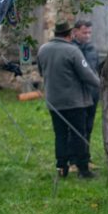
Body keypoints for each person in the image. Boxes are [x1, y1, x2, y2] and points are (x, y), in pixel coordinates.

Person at [38, 19, 100, 179]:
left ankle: (62, 167)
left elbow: (41, 71)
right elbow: (87, 75)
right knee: (79, 134)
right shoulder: (72, 51)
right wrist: (101, 85)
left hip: (54, 101)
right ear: (69, 34)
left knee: (60, 135)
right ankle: (83, 169)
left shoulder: (43, 49)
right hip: (74, 102)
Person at [72, 20, 100, 170]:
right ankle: (74, 160)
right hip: (77, 94)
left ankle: (85, 157)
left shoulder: (92, 49)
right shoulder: (71, 49)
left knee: (88, 127)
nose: (87, 35)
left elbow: (95, 69)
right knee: (77, 128)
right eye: (84, 32)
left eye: (89, 32)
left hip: (93, 93)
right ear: (75, 32)